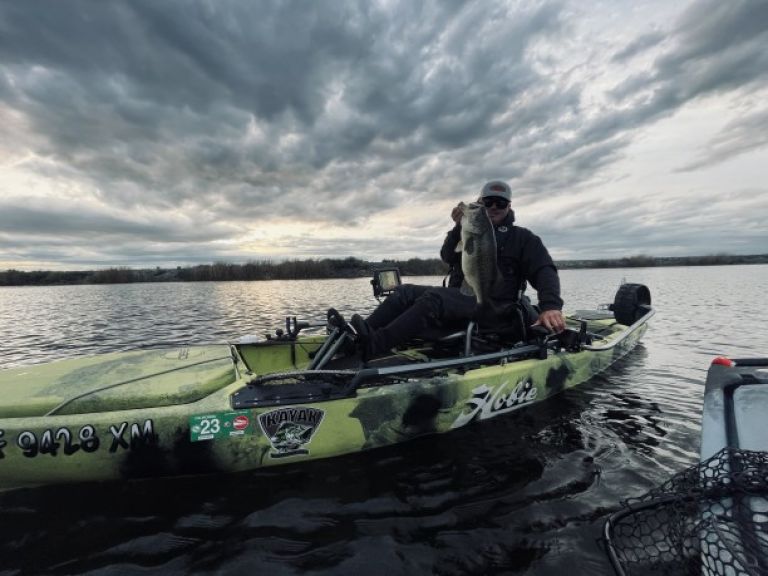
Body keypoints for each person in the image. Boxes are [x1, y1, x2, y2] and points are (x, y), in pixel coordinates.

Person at [346, 180, 565, 359]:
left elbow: (544, 270)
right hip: (462, 297)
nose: (494, 208)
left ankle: (374, 345)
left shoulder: (524, 238)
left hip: (497, 307)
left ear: (509, 207)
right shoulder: (467, 229)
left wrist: (551, 306)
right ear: (479, 203)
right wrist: (457, 227)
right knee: (405, 292)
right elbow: (448, 256)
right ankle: (357, 336)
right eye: (488, 203)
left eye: (501, 203)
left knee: (435, 299)